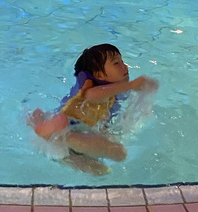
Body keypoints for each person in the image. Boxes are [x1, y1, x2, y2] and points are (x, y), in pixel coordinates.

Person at [29, 44, 158, 176]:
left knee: (104, 167)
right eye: (116, 63)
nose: (124, 66)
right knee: (117, 152)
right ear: (99, 75)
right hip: (72, 126)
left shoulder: (110, 94)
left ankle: (56, 142)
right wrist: (130, 85)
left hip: (73, 133)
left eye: (122, 61)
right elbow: (92, 95)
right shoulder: (94, 89)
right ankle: (58, 136)